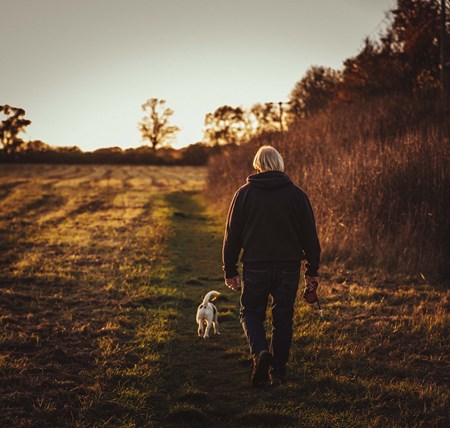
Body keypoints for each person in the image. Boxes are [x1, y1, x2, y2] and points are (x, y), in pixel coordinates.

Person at [222, 145, 321, 387]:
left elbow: (232, 235)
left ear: (257, 164)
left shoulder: (243, 194)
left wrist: (230, 269)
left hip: (255, 266)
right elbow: (310, 236)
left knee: (250, 313)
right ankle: (278, 372)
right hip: (288, 267)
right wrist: (312, 270)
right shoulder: (297, 195)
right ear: (280, 164)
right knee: (283, 318)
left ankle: (260, 353)